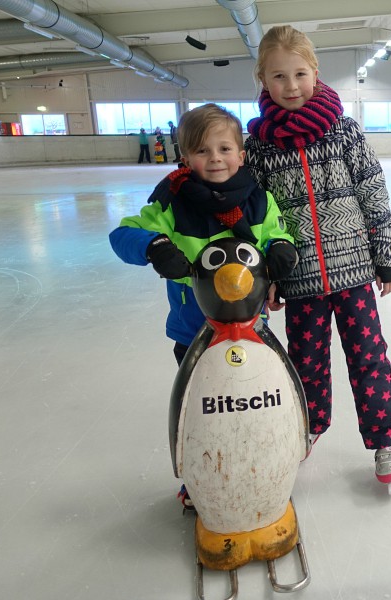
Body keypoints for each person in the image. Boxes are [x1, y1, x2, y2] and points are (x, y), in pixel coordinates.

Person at [244, 25, 391, 490]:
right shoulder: (259, 146)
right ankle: (309, 424)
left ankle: (387, 437)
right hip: (298, 279)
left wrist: (385, 254)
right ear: (263, 80)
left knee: (368, 357)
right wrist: (268, 276)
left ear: (315, 72)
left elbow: (372, 190)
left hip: (354, 270)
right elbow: (258, 218)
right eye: (279, 76)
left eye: (300, 73)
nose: (291, 86)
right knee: (305, 361)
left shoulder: (343, 131)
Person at [109, 103, 298, 508]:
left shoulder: (258, 200)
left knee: (253, 397)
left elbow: (276, 234)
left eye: (225, 148)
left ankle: (261, 460)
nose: (215, 158)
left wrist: (281, 249)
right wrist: (153, 245)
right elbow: (122, 235)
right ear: (185, 157)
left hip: (251, 327)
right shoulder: (172, 203)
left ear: (241, 154)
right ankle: (199, 472)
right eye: (203, 151)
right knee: (203, 406)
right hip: (194, 329)